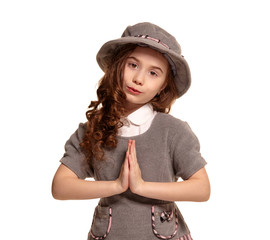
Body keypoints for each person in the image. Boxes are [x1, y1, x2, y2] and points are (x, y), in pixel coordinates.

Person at [52, 22, 210, 240]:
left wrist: (142, 187)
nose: (139, 79)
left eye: (153, 73)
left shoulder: (172, 131)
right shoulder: (92, 129)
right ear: (118, 65)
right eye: (133, 65)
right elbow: (60, 187)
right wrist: (116, 185)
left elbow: (202, 189)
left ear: (163, 85)